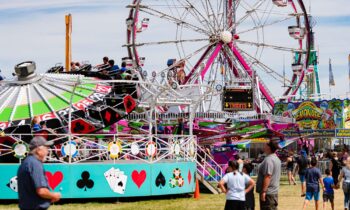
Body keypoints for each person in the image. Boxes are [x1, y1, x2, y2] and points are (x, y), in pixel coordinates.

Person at [17, 136, 61, 210]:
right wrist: (54, 195)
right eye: (46, 148)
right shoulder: (35, 164)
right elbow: (41, 191)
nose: (47, 151)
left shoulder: (26, 162)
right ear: (39, 150)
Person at [256, 139, 281, 210]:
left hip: (268, 193)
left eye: (265, 144)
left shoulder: (268, 160)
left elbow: (268, 176)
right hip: (273, 192)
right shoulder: (276, 159)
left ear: (268, 147)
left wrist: (264, 191)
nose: (264, 145)